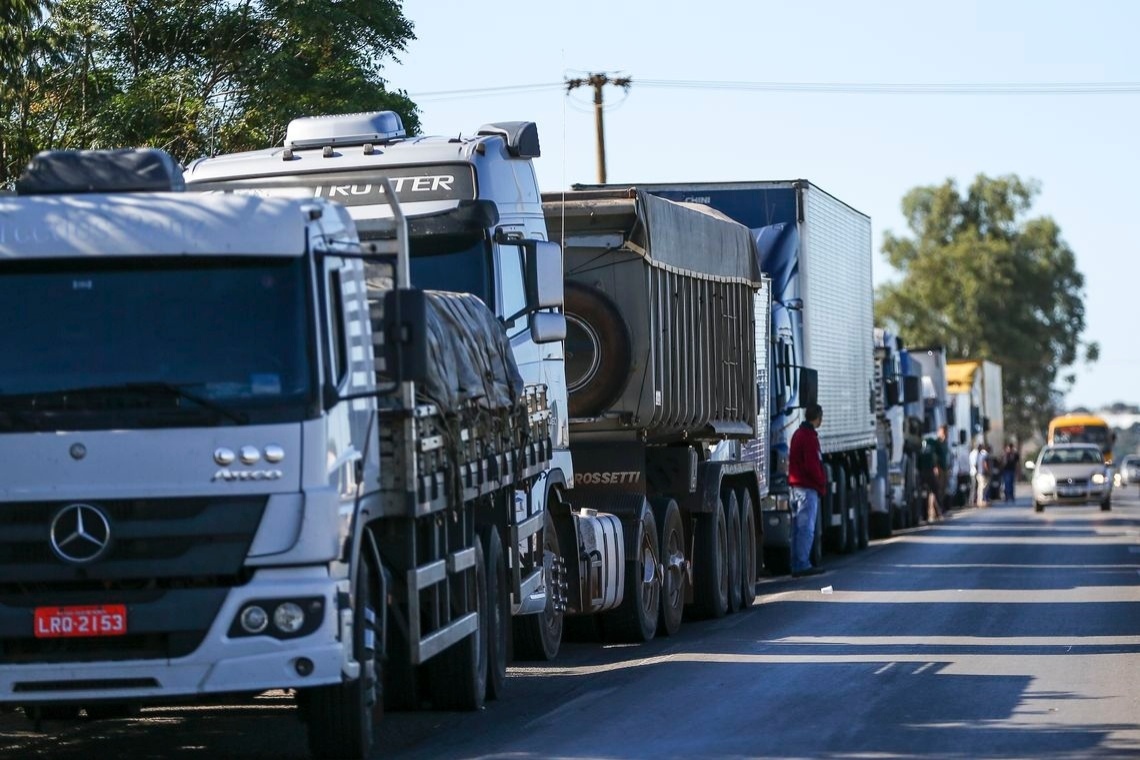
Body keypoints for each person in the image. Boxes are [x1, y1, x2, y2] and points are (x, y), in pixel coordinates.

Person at [788, 403, 826, 577]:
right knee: (806, 528)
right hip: (807, 488)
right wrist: (821, 481)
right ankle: (802, 563)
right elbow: (812, 465)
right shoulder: (809, 437)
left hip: (795, 487)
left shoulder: (797, 434)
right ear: (817, 417)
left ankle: (796, 563)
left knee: (797, 529)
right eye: (821, 418)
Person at [917, 431, 944, 522]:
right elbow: (939, 458)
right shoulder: (933, 444)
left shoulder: (922, 445)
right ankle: (938, 512)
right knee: (936, 490)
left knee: (924, 493)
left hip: (921, 473)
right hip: (929, 472)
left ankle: (925, 515)